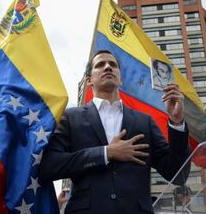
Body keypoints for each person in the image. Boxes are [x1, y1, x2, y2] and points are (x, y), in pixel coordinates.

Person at [40, 50, 190, 214]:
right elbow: (49, 165)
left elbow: (178, 173)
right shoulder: (70, 117)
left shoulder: (144, 121)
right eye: (100, 65)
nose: (107, 67)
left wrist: (176, 122)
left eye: (113, 65)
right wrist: (105, 153)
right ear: (89, 80)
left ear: (120, 79)